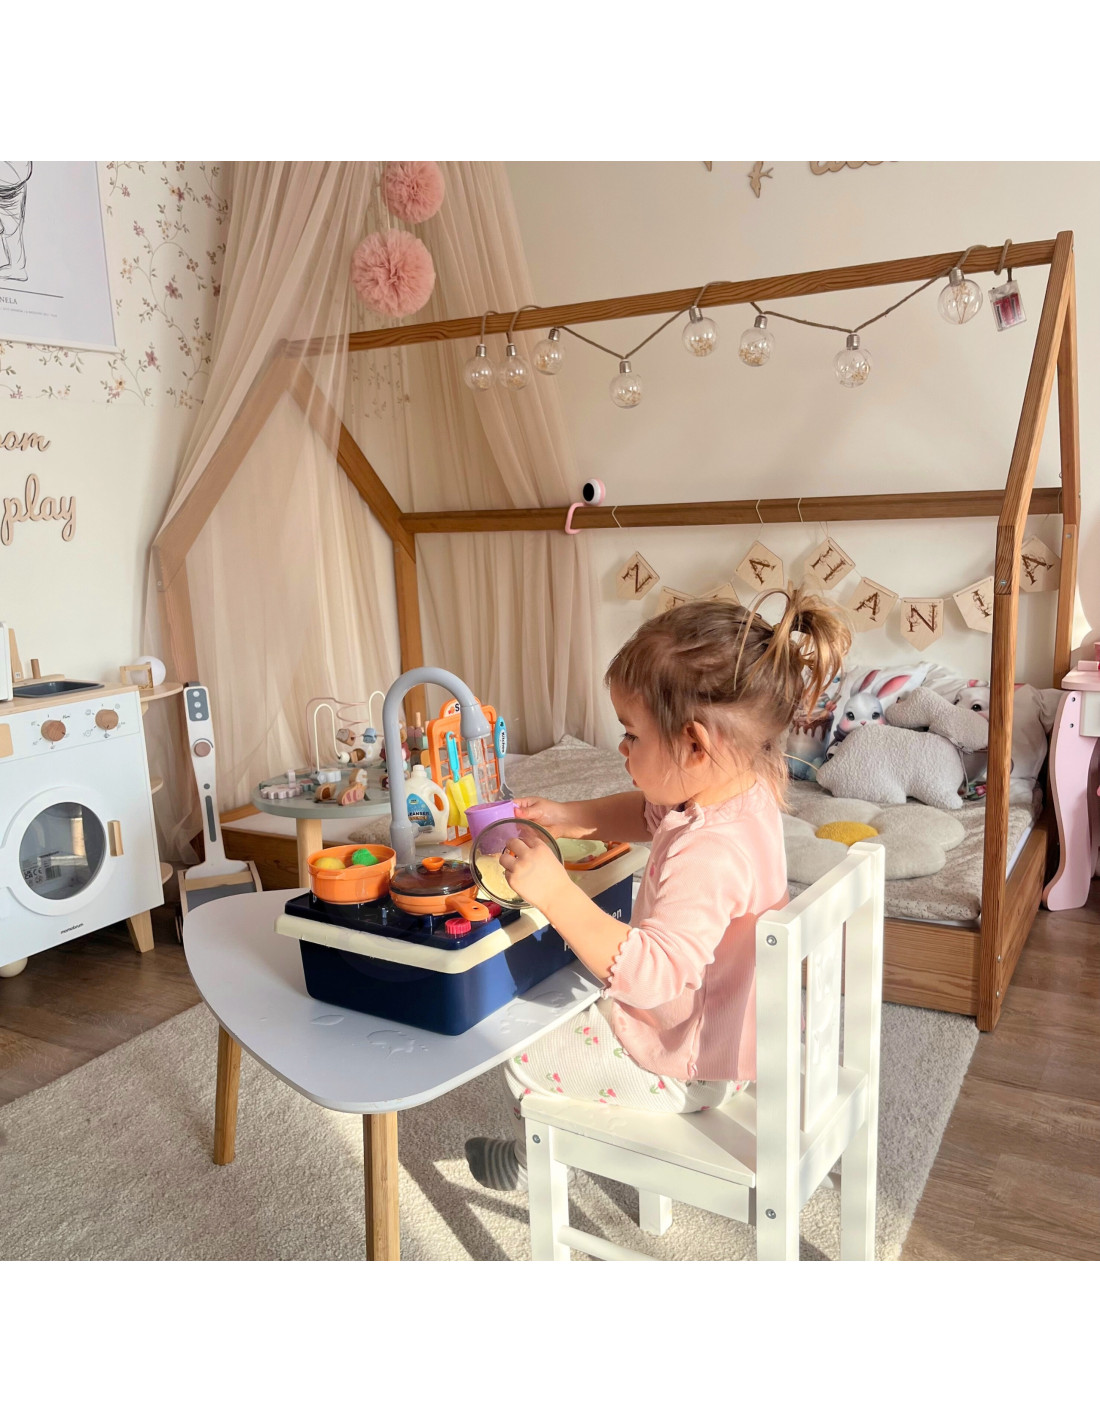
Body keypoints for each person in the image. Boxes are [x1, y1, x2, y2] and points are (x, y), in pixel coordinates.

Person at [465, 586, 851, 1191]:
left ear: (694, 745)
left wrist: (555, 892)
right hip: (733, 1035)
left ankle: (534, 1162)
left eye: (631, 734)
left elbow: (650, 976)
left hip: (685, 1059)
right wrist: (570, 816)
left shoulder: (708, 853)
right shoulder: (734, 792)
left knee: (517, 1050)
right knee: (570, 992)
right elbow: (648, 814)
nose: (621, 749)